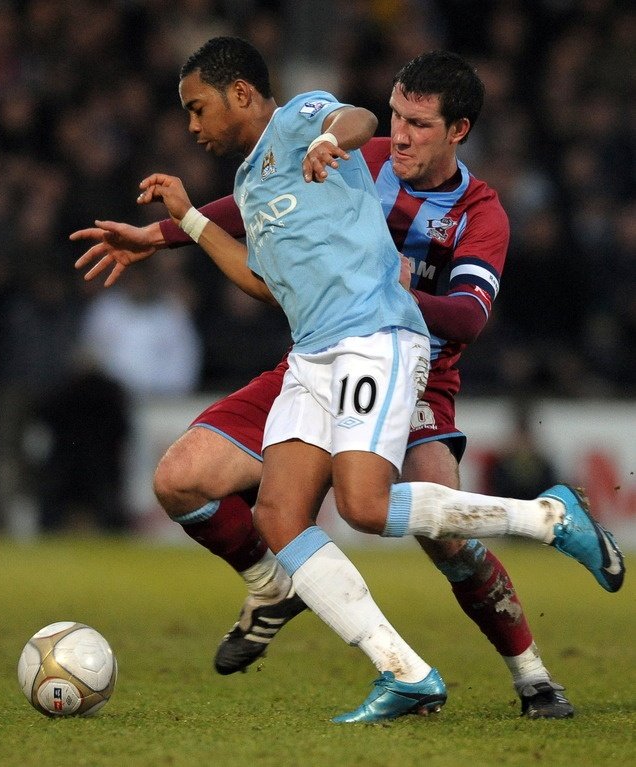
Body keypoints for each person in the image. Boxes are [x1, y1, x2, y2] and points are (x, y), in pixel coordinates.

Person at [72, 38, 624, 723]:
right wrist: (163, 231)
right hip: (313, 348)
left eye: (419, 124)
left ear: (459, 131)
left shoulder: (478, 213)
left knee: (433, 531)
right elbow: (258, 209)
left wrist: (384, 283)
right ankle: (310, 607)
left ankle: (533, 669)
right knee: (217, 489)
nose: (399, 134)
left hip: (410, 360)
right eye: (396, 115)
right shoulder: (351, 158)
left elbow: (470, 318)